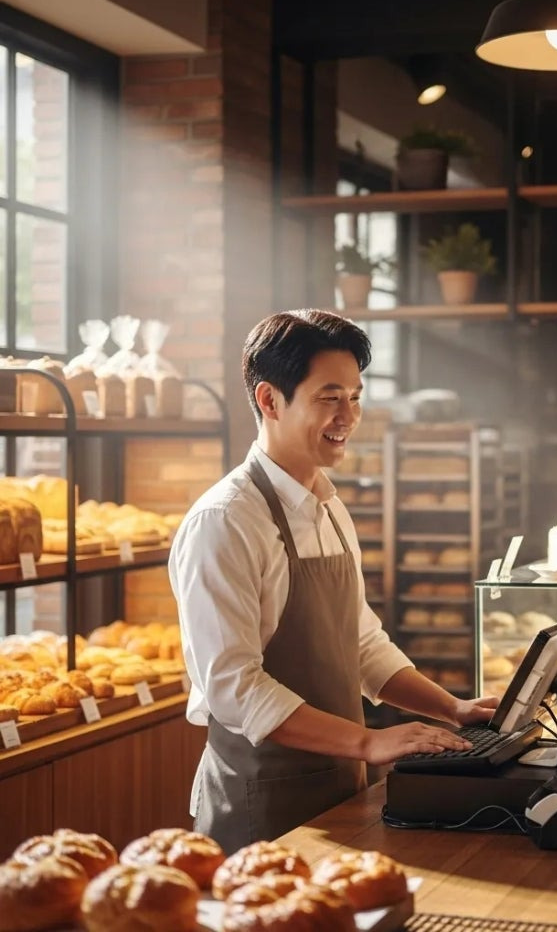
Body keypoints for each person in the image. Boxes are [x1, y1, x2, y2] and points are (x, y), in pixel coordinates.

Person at [169, 309, 496, 853]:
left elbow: (361, 642)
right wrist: (366, 741)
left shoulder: (328, 506)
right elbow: (233, 688)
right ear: (270, 401)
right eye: (329, 398)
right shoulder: (225, 521)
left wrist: (451, 709)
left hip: (341, 790)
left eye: (355, 397)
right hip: (262, 810)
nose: (348, 416)